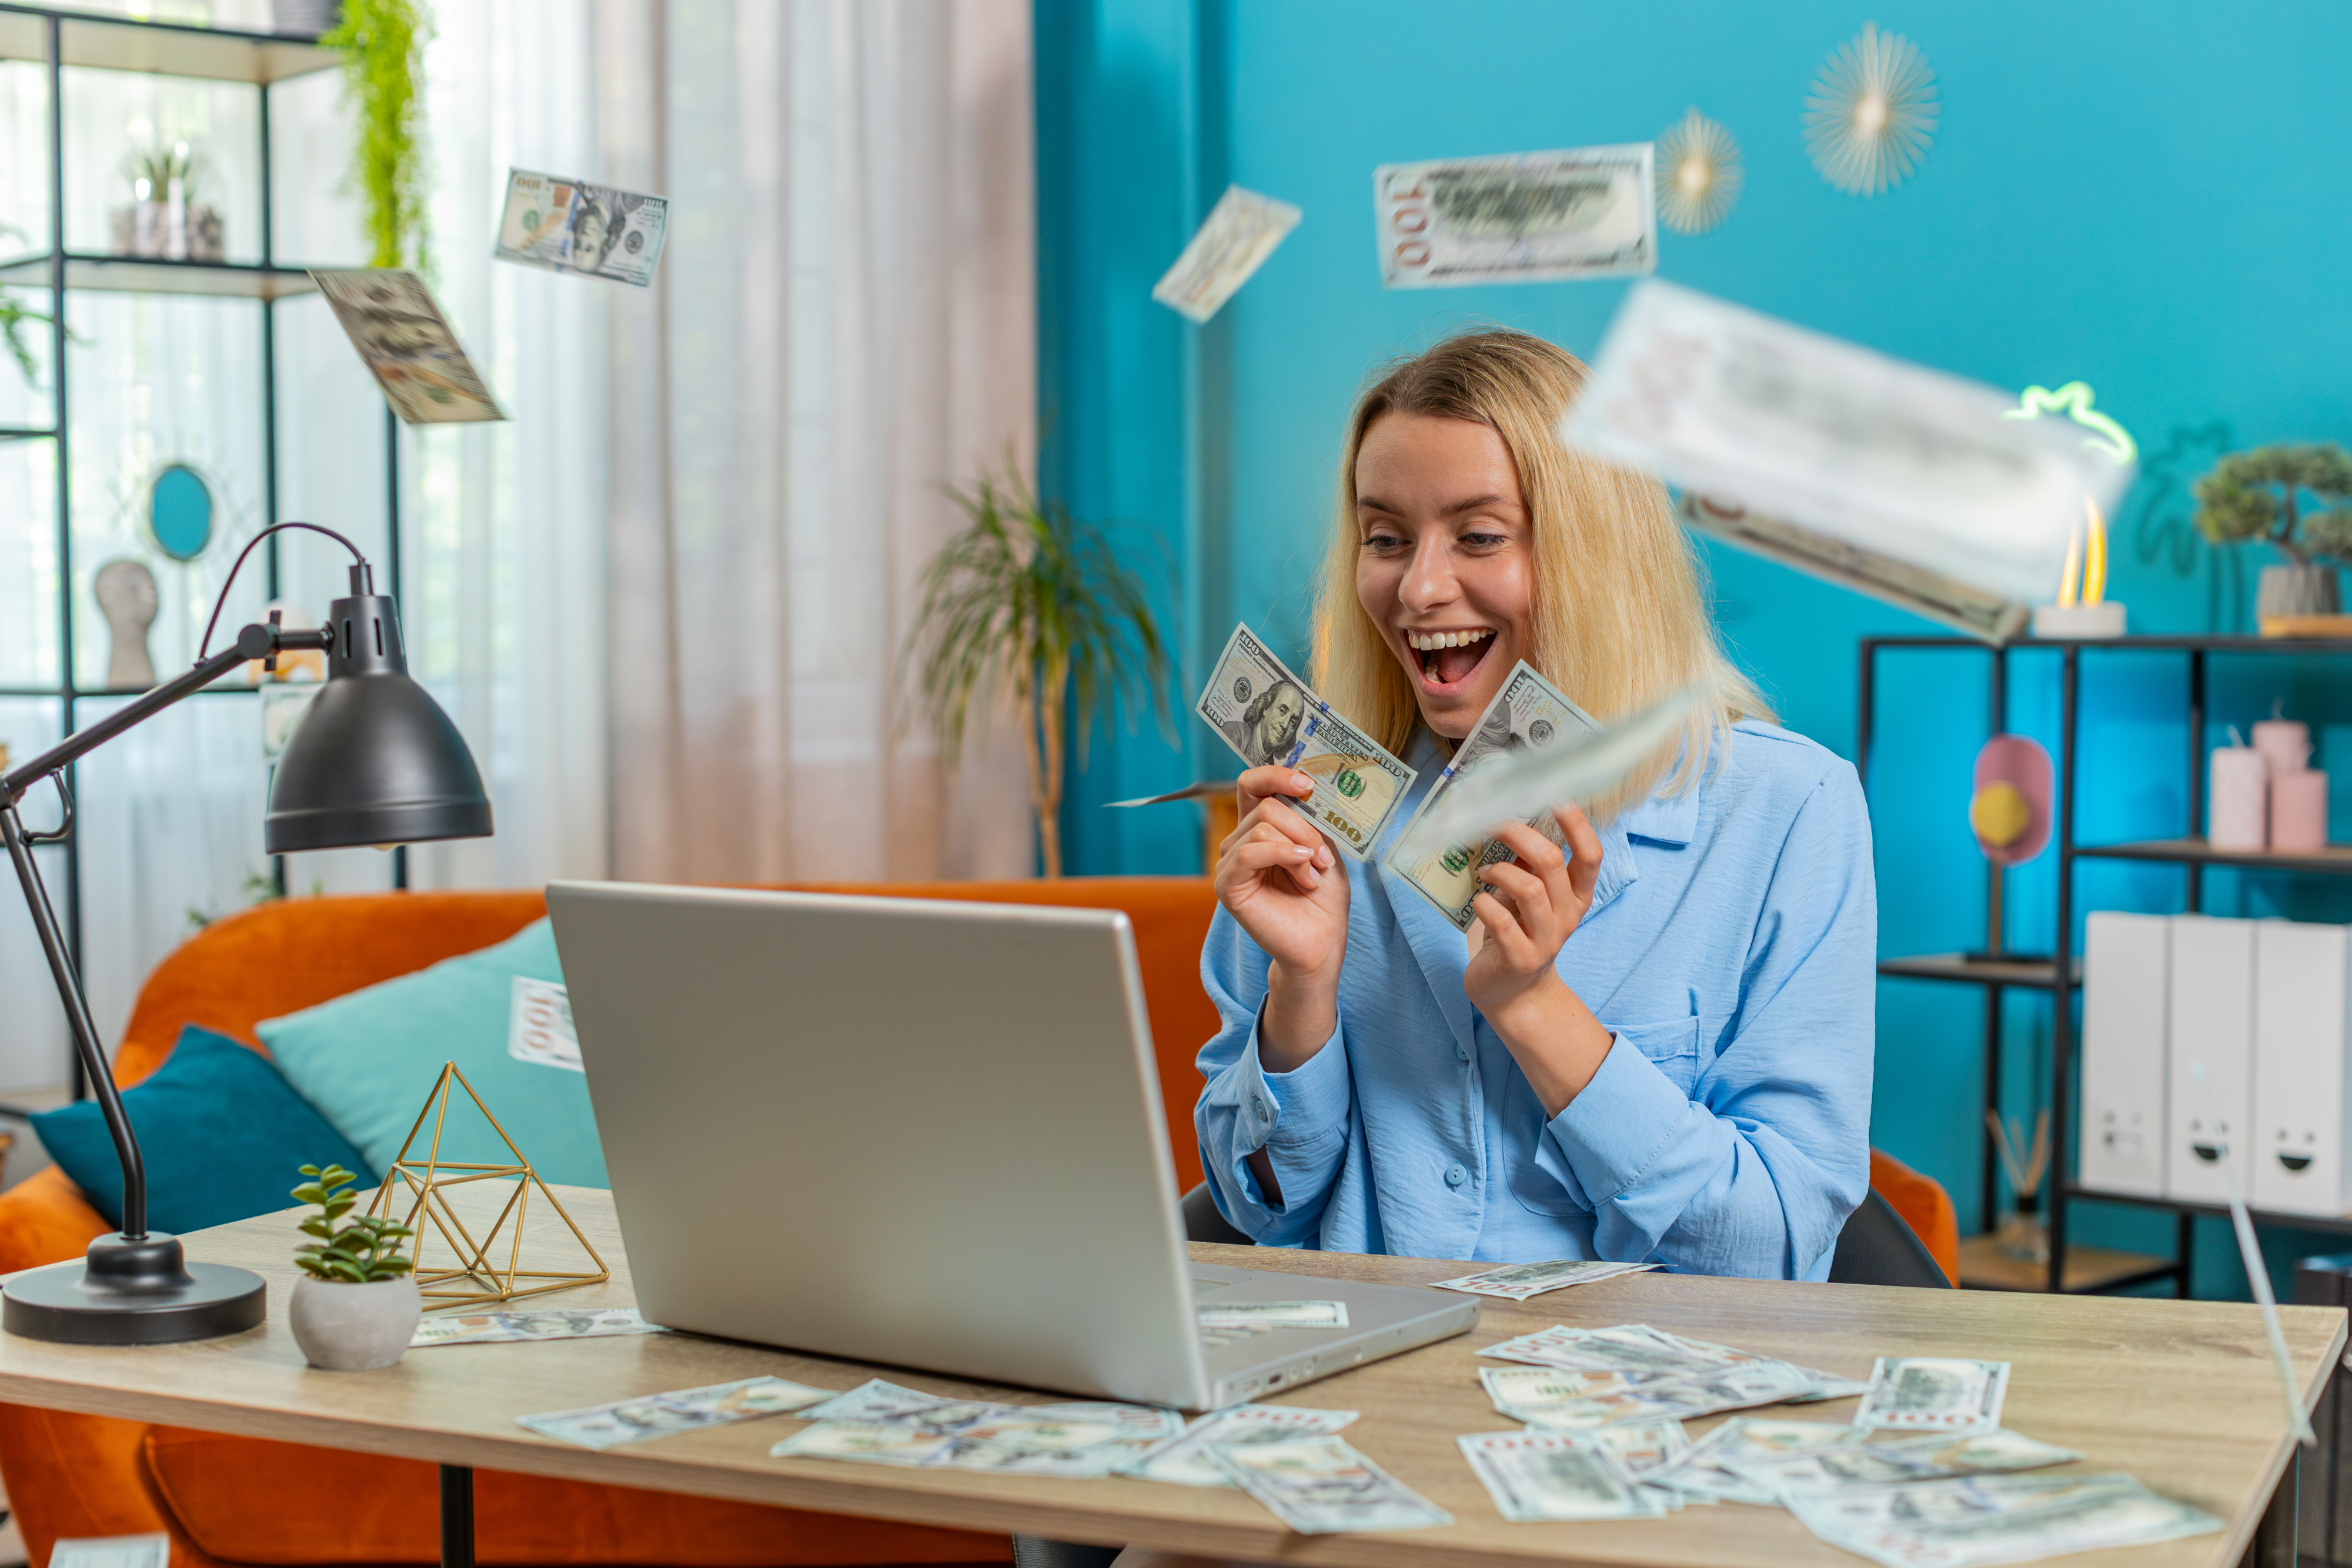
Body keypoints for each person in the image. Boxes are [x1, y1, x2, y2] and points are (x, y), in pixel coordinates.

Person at [1195, 329, 1874, 1279]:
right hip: (1371, 1389)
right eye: (1385, 538)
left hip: (1651, 1404)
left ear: (1595, 559)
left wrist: (1536, 1007)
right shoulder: (1317, 812)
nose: (1421, 588)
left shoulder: (1789, 810)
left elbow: (1775, 1248)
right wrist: (1298, 995)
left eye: (1479, 536)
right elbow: (1257, 1206)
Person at [1224, 680, 1308, 770]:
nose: (1285, 725)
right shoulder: (1234, 734)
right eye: (1282, 711)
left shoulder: (1271, 766)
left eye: (1293, 722)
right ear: (1266, 708)